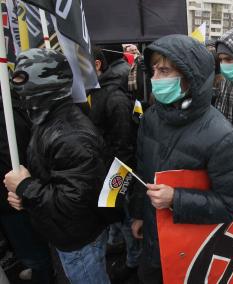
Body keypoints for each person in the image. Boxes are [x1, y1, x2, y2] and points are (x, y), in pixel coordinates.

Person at [129, 35, 233, 283]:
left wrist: (177, 199)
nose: (155, 78)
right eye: (153, 70)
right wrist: (139, 214)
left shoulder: (223, 137)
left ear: (189, 76)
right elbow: (143, 170)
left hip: (189, 247)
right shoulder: (151, 117)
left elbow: (232, 204)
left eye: (164, 70)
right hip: (152, 240)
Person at [3, 48, 110, 284]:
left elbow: (73, 203)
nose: (16, 86)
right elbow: (53, 179)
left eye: (22, 79)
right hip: (62, 233)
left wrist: (25, 187)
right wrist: (26, 196)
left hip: (79, 240)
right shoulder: (47, 120)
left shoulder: (70, 135)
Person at [90, 47, 141, 283]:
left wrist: (117, 185)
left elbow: (124, 147)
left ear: (98, 64)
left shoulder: (116, 98)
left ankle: (133, 261)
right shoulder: (98, 90)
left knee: (126, 216)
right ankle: (117, 244)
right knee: (116, 216)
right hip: (106, 168)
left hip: (118, 172)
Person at [0, 94, 53, 283]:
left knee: (32, 247)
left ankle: (42, 272)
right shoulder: (11, 104)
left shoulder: (6, 113)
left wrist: (21, 187)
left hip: (14, 196)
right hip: (19, 193)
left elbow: (10, 158)